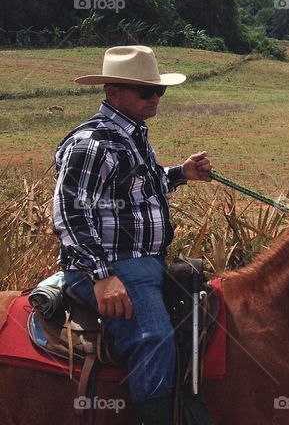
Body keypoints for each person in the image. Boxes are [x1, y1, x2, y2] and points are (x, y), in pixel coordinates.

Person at [52, 46, 213, 425]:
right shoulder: (93, 144)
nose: (154, 98)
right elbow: (69, 212)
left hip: (143, 263)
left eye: (159, 90)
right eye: (145, 91)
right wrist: (102, 277)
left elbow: (139, 184)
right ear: (113, 92)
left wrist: (181, 173)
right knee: (153, 338)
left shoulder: (131, 134)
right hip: (110, 267)